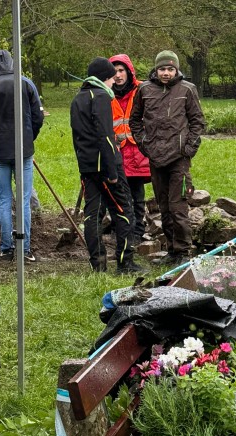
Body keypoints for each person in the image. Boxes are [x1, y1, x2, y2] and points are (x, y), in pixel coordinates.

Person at [130, 50, 206, 265]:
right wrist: (144, 144)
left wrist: (188, 147)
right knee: (163, 206)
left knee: (178, 206)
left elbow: (198, 121)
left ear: (177, 70)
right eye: (162, 68)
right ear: (156, 69)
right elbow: (134, 120)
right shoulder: (144, 89)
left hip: (178, 158)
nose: (166, 73)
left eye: (170, 69)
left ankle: (182, 252)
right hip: (155, 157)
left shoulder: (187, 90)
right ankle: (171, 250)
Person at [70, 57, 144, 274]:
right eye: (112, 78)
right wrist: (112, 172)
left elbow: (78, 138)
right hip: (106, 166)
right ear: (104, 78)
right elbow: (105, 136)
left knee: (92, 215)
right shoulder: (101, 96)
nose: (114, 82)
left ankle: (98, 266)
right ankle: (125, 262)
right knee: (124, 211)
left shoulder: (78, 98)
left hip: (86, 167)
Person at [0, 49, 45, 262]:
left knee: (4, 200)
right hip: (23, 151)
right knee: (23, 200)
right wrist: (28, 137)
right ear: (12, 63)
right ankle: (24, 249)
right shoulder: (26, 83)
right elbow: (38, 116)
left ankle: (6, 248)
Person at [109, 54, 151, 244]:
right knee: (120, 194)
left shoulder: (142, 89)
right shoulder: (107, 93)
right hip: (117, 151)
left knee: (137, 194)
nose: (118, 75)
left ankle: (137, 231)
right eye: (114, 71)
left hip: (137, 151)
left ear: (129, 71)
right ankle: (124, 229)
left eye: (121, 70)